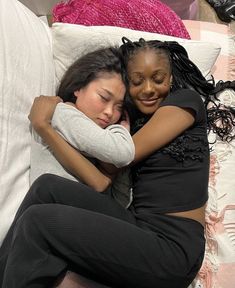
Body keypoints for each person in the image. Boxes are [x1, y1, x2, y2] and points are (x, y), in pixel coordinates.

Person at [1, 37, 235, 288]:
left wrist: (47, 124)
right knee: (46, 186)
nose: (148, 89)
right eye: (136, 81)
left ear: (170, 78)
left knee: (38, 222)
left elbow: (122, 155)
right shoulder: (131, 123)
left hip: (174, 248)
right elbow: (107, 172)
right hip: (140, 228)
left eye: (157, 79)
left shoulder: (185, 102)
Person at [30, 46, 134, 197]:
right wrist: (122, 128)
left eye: (119, 107)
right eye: (103, 97)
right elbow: (123, 153)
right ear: (78, 87)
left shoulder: (91, 133)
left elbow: (121, 197)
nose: (109, 112)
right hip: (56, 207)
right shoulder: (63, 114)